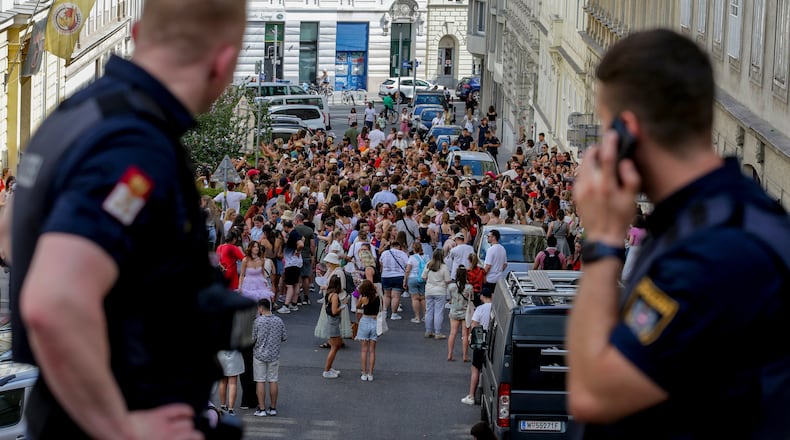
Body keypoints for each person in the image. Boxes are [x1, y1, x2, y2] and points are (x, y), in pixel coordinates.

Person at [7, 0, 250, 437]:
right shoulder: (134, 145)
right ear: (223, 61)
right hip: (114, 413)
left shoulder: (78, 114)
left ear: (138, 36)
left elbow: (10, 233)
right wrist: (121, 429)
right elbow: (53, 301)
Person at [567, 29, 790, 439]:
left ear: (628, 131)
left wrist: (600, 240)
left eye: (604, 131)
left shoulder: (713, 251)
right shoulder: (721, 216)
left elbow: (593, 394)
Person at [251, 298, 287, 417]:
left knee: (260, 380)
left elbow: (252, 338)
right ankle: (273, 407)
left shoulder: (258, 321)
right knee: (273, 379)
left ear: (261, 308)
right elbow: (283, 337)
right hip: (274, 354)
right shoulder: (279, 321)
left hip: (259, 354)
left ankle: (261, 409)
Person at [461, 287, 492, 405]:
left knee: (475, 368)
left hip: (480, 342)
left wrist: (470, 338)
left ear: (482, 296)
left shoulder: (480, 309)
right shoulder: (497, 308)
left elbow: (473, 325)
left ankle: (471, 396)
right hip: (493, 342)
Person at [422, 248, 451, 339]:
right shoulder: (444, 267)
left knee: (429, 311)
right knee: (438, 312)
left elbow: (423, 277)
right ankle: (437, 332)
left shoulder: (428, 265)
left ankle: (428, 331)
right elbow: (448, 280)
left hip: (429, 290)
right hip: (440, 291)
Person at [322, 276, 347, 379]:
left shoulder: (328, 293)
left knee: (336, 346)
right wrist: (343, 306)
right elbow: (334, 311)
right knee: (334, 347)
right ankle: (326, 370)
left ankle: (329, 367)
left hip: (331, 322)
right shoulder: (335, 296)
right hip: (333, 323)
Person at [355, 280, 380, 381]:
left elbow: (357, 306)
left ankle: (364, 373)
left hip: (365, 321)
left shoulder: (363, 298)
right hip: (374, 322)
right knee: (372, 351)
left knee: (364, 350)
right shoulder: (377, 297)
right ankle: (370, 373)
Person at [447, 266, 473, 362]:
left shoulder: (451, 286)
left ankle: (450, 354)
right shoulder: (469, 287)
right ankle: (465, 356)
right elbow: (471, 299)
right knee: (465, 335)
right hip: (465, 313)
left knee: (452, 333)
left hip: (454, 311)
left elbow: (450, 299)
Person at [481, 229, 507, 296]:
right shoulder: (502, 248)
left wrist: (483, 277)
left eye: (488, 236)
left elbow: (488, 266)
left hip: (490, 279)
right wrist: (499, 271)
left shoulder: (491, 250)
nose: (487, 238)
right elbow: (505, 264)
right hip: (499, 279)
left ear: (494, 237)